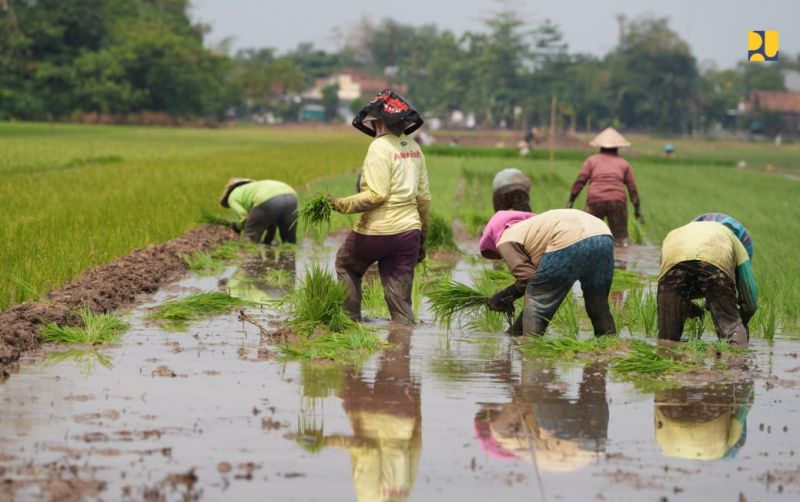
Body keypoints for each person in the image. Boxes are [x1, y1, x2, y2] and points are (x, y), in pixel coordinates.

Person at [330, 90, 430, 325]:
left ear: (379, 121)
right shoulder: (414, 147)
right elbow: (424, 198)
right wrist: (422, 236)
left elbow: (377, 195)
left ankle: (350, 323)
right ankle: (403, 344)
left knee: (347, 265)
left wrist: (339, 204)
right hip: (409, 233)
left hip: (377, 230)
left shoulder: (379, 147)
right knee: (400, 302)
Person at [479, 209, 616, 336]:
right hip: (603, 233)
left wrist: (505, 296)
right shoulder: (533, 229)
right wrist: (514, 332)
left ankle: (531, 352)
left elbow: (529, 281)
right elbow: (538, 283)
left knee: (538, 305)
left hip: (568, 236)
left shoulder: (506, 238)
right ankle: (608, 348)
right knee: (598, 304)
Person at [657, 213, 757, 346]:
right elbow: (750, 301)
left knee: (667, 339)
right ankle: (736, 362)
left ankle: (668, 360)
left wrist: (689, 308)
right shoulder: (733, 239)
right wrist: (740, 320)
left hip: (672, 256)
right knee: (732, 328)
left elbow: (674, 287)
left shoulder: (680, 233)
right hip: (716, 259)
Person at [566, 127, 643, 246]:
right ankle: (620, 263)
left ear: (600, 146)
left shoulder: (591, 161)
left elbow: (580, 182)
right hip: (617, 201)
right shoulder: (623, 163)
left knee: (588, 237)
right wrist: (638, 210)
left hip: (595, 200)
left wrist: (571, 201)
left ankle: (589, 262)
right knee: (621, 241)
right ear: (618, 147)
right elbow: (632, 189)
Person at [654, 379, 753, 460]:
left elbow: (743, 407)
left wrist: (748, 385)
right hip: (666, 433)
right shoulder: (663, 445)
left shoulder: (727, 447)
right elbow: (656, 414)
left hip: (711, 410)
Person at [219, 178, 298, 245]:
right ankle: (289, 257)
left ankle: (250, 259)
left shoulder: (232, 197)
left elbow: (244, 215)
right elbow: (270, 224)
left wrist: (237, 228)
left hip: (267, 199)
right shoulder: (253, 187)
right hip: (291, 195)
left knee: (251, 236)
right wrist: (267, 242)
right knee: (289, 239)